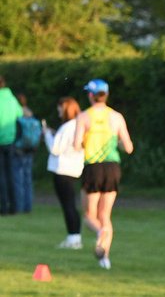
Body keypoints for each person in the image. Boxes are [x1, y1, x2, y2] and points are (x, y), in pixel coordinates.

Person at [73, 79, 134, 270]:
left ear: (91, 96)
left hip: (93, 167)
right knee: (105, 215)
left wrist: (85, 143)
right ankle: (104, 258)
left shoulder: (84, 117)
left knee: (89, 215)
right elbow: (129, 147)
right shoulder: (116, 117)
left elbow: (76, 145)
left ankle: (100, 233)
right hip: (112, 168)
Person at [44, 97, 85, 249]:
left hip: (62, 170)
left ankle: (73, 238)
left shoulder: (67, 126)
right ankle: (75, 237)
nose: (58, 111)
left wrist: (47, 135)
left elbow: (55, 149)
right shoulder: (79, 125)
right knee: (71, 204)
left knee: (67, 205)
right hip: (74, 169)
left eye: (60, 108)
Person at [12, 94, 44, 214]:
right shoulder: (30, 114)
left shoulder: (17, 114)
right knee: (28, 178)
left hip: (18, 149)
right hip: (30, 149)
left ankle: (19, 206)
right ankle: (28, 206)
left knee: (17, 178)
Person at [0, 75, 22, 216]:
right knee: (11, 175)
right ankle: (14, 206)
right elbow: (19, 114)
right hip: (11, 140)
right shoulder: (12, 99)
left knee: (1, 176)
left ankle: (3, 207)